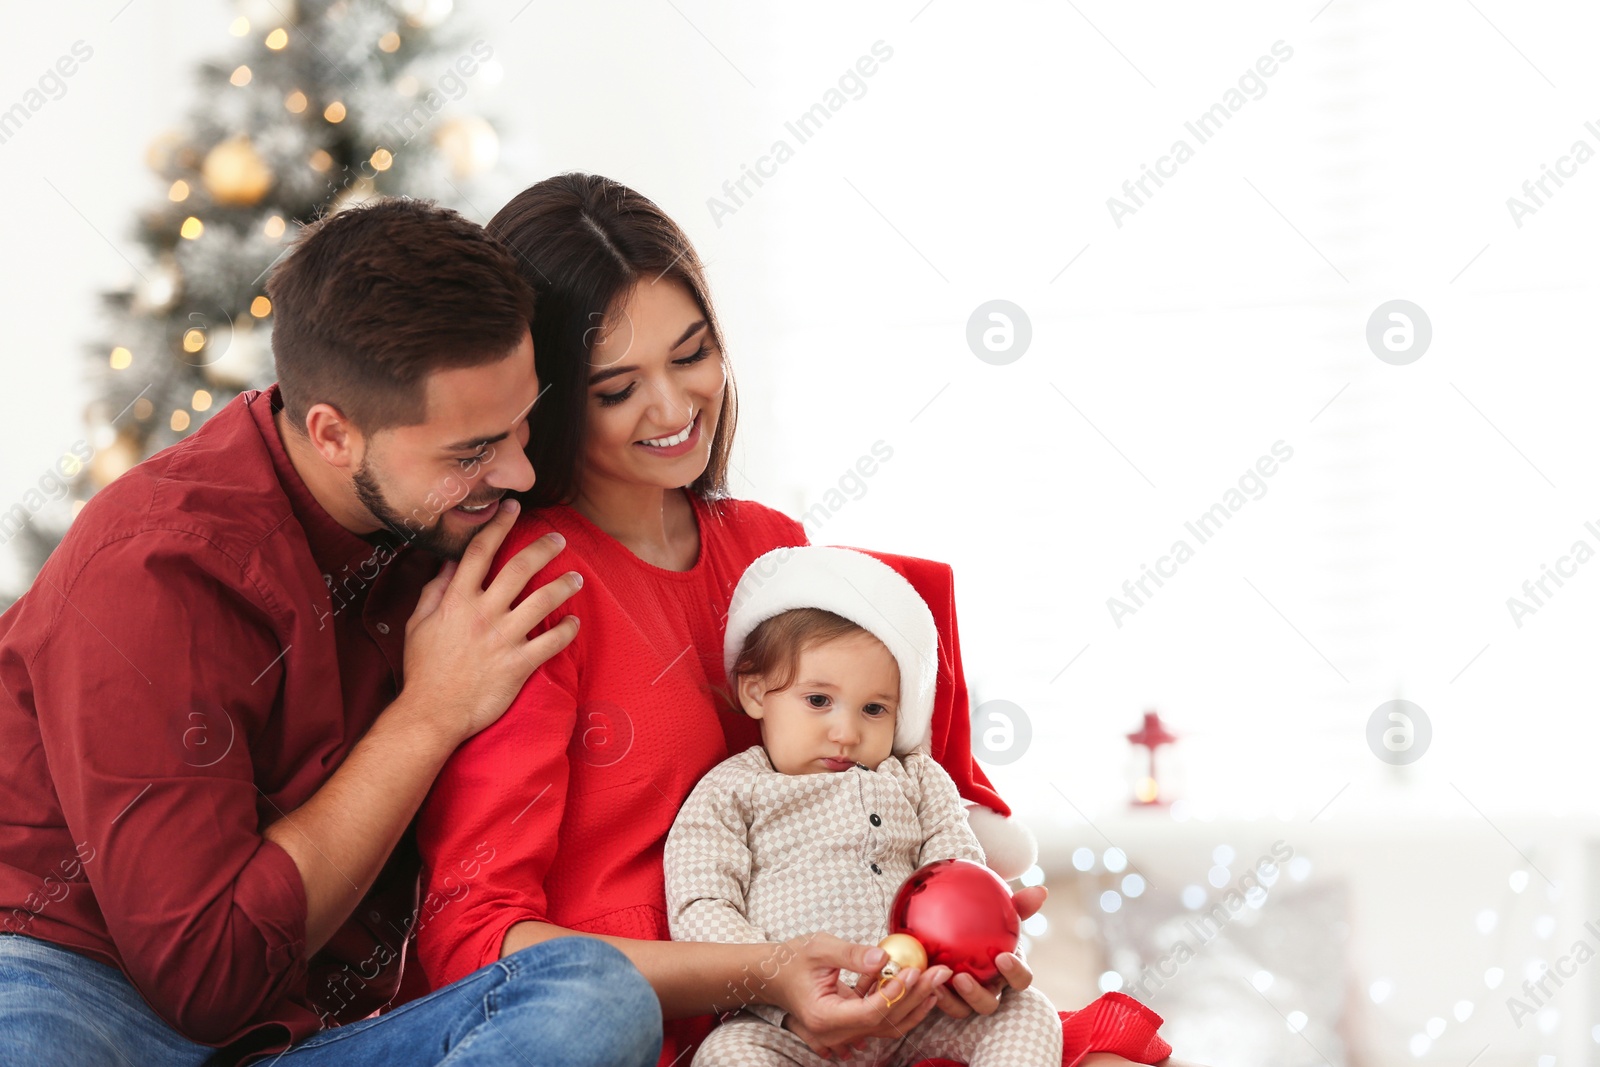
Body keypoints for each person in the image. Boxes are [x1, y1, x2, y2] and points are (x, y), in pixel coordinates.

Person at [412, 173, 1169, 1067]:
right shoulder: (528, 585)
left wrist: (953, 921)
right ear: (545, 399)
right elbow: (473, 940)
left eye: (690, 353)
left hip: (858, 1003)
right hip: (663, 1034)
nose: (672, 407)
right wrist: (763, 973)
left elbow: (878, 780)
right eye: (617, 389)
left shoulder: (774, 553)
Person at [0, 198, 661, 1066]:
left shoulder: (448, 525)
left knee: (594, 994)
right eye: (470, 452)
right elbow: (205, 977)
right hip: (73, 985)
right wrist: (429, 714)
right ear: (334, 434)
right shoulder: (154, 569)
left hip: (300, 1035)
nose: (519, 472)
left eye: (521, 426)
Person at [665, 546, 1066, 1066]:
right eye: (818, 701)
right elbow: (701, 906)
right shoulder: (730, 791)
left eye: (874, 709)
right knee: (727, 1054)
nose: (846, 733)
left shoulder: (916, 778)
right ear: (756, 691)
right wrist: (776, 983)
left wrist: (982, 935)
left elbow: (955, 866)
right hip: (792, 1025)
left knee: (1028, 1010)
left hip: (922, 1004)